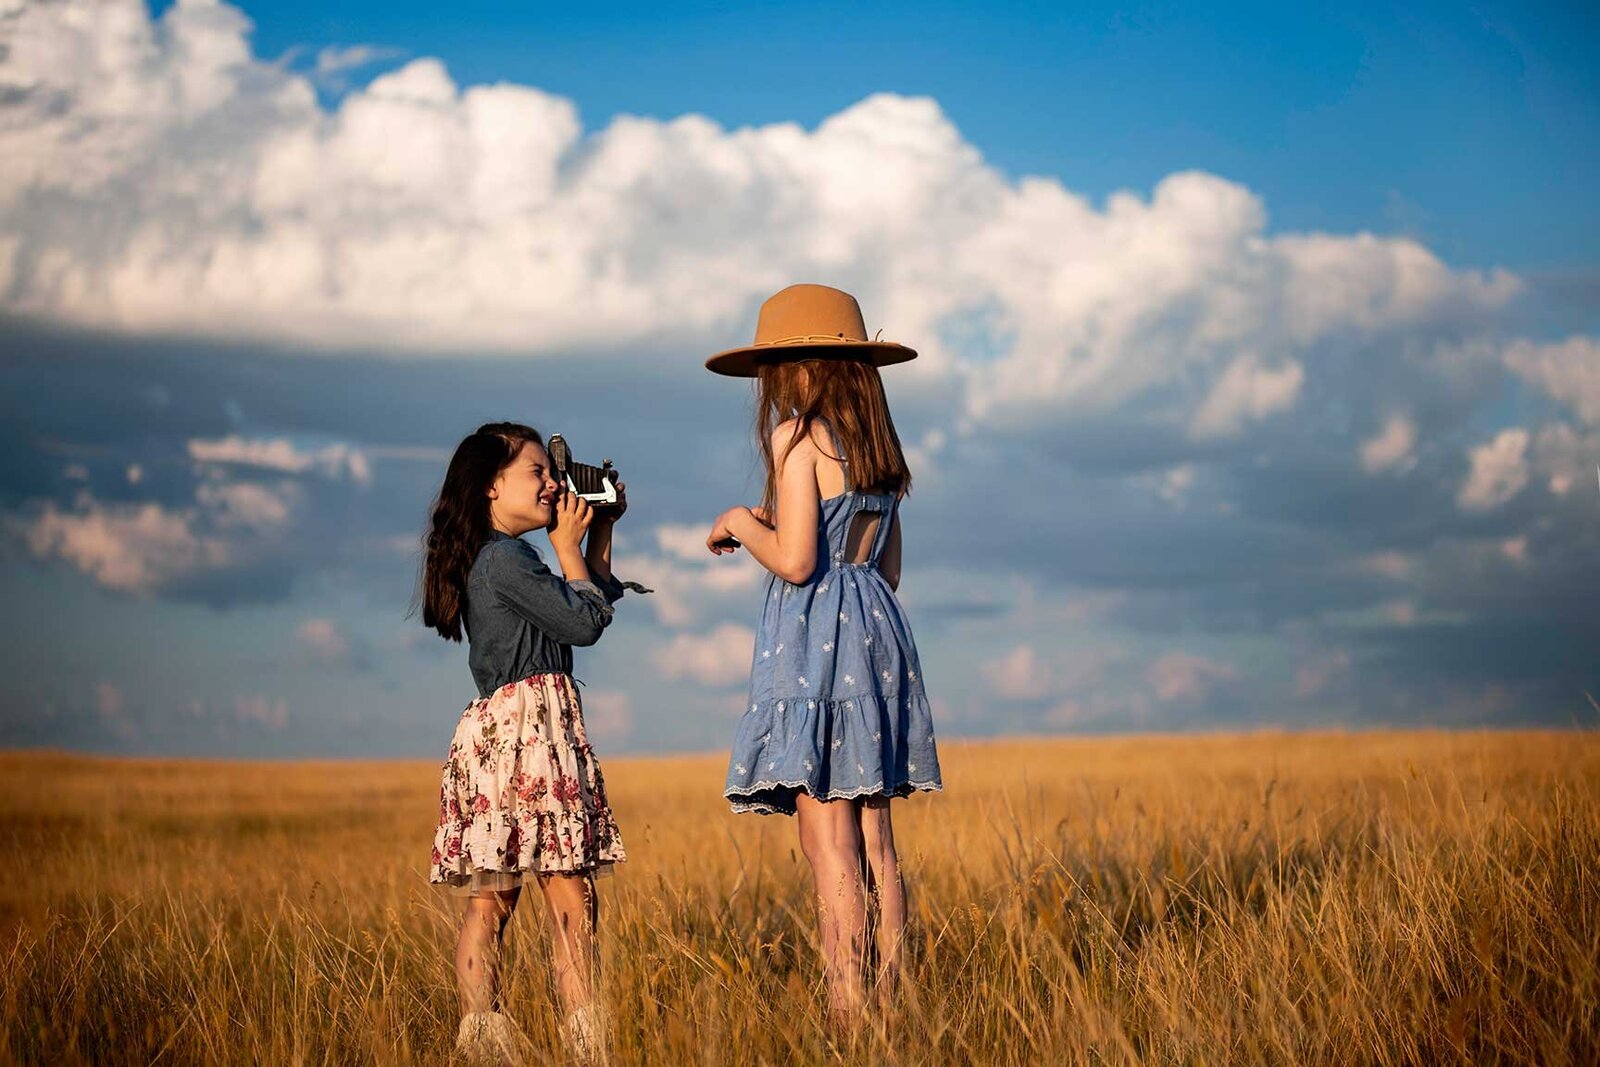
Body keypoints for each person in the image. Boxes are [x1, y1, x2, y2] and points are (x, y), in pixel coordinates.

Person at [704, 284, 943, 1021]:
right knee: (876, 837)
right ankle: (893, 1001)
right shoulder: (875, 447)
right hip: (879, 631)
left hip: (818, 641)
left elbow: (800, 561)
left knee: (825, 835)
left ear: (795, 369)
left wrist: (744, 521)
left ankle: (847, 1008)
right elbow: (887, 566)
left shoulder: (796, 439)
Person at [420, 421, 637, 1065]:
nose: (552, 483)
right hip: (530, 736)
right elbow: (583, 621)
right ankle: (584, 1045)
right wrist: (570, 545)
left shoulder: (501, 559)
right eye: (536, 473)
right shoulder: (505, 560)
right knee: (569, 891)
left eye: (552, 473)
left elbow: (586, 599)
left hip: (498, 740)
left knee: (493, 899)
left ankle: (480, 1040)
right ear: (491, 486)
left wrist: (597, 532)